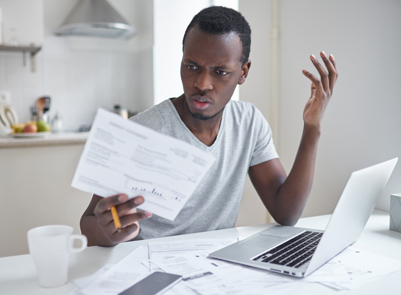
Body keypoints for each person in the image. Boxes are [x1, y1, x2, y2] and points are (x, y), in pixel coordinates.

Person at [80, 6, 338, 247]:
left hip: (214, 264)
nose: (202, 84)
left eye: (220, 72)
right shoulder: (140, 131)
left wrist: (311, 129)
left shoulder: (248, 123)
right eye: (192, 67)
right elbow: (89, 223)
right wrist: (107, 231)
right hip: (148, 266)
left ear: (243, 73)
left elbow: (286, 212)